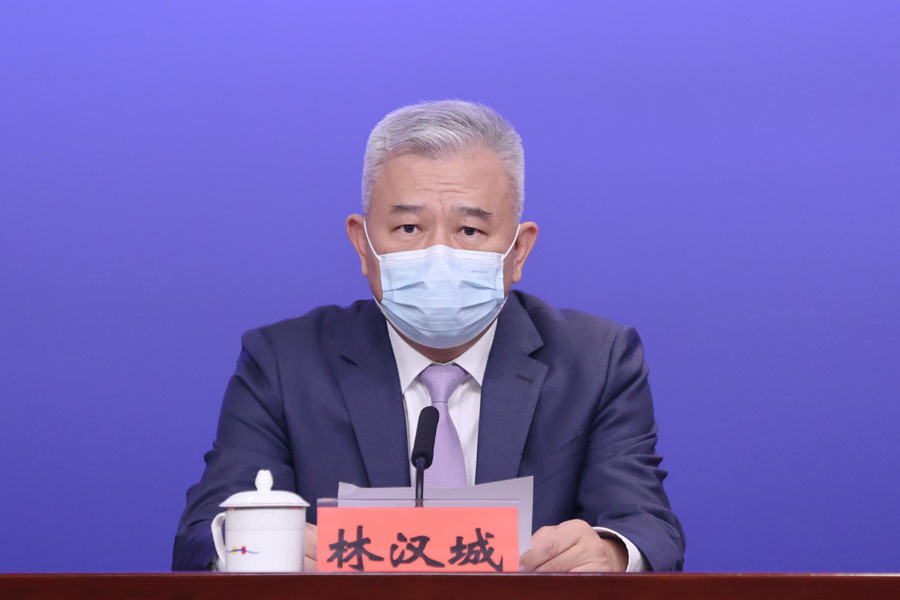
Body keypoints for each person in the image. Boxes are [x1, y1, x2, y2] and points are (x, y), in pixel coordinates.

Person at [173, 100, 685, 572]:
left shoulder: (596, 361)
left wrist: (611, 552)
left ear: (519, 251)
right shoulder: (285, 365)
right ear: (363, 245)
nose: (439, 255)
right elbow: (200, 538)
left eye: (469, 231)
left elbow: (647, 527)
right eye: (409, 229)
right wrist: (256, 547)